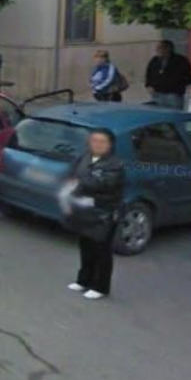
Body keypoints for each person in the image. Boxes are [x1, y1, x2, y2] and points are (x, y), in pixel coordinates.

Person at [66, 128, 125, 300]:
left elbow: (101, 184)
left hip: (104, 214)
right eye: (94, 140)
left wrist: (80, 183)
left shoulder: (115, 164)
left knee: (102, 251)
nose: (97, 144)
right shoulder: (84, 157)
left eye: (102, 141)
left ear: (110, 145)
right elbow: (72, 173)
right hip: (86, 211)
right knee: (86, 246)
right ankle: (83, 280)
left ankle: (100, 286)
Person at [144, 40, 191, 109]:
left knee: (174, 114)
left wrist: (177, 87)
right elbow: (148, 75)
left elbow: (188, 77)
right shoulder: (154, 60)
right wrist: (148, 85)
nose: (157, 50)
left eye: (160, 48)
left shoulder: (181, 61)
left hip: (173, 95)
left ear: (168, 48)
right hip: (157, 94)